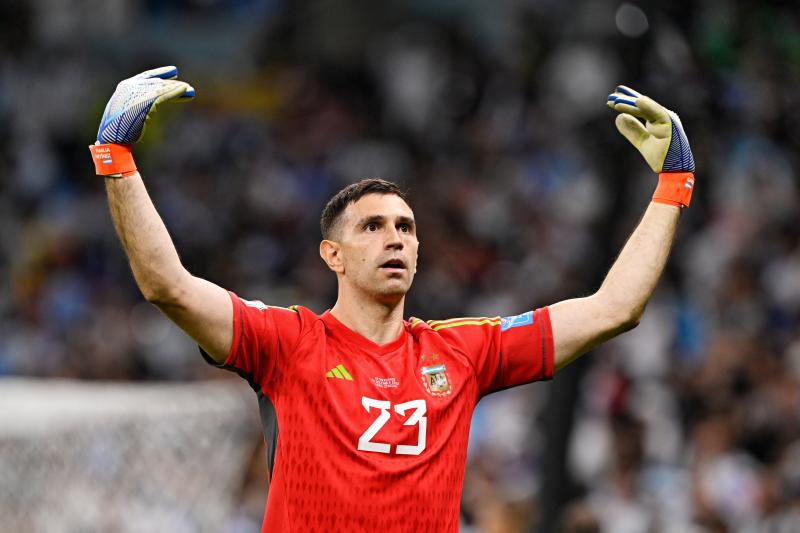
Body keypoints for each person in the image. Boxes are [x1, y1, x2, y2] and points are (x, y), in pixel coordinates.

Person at [88, 67, 696, 532]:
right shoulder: (287, 343)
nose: (395, 239)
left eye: (405, 227)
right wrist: (115, 157)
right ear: (332, 255)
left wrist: (673, 184)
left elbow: (614, 309)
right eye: (373, 227)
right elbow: (167, 285)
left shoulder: (464, 351)